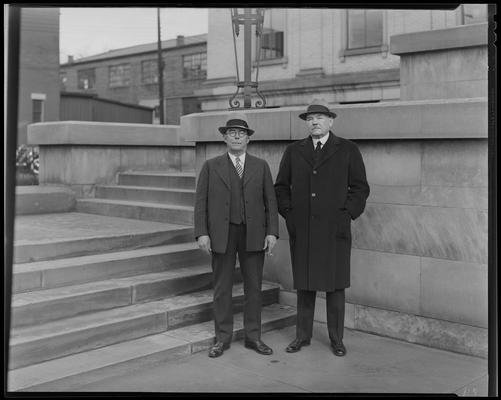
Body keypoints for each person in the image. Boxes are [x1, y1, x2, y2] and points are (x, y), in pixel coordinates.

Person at [275, 99, 370, 357]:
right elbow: (281, 187)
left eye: (319, 117)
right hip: (303, 228)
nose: (314, 122)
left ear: (331, 121)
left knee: (335, 285)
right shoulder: (294, 151)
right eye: (310, 118)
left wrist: (346, 214)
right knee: (305, 285)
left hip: (334, 229)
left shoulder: (347, 149)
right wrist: (290, 215)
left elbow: (360, 188)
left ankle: (336, 339)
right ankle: (302, 336)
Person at [194, 113, 279, 358]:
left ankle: (254, 337)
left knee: (253, 287)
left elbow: (270, 203)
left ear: (248, 139)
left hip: (253, 233)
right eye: (232, 133)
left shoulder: (261, 166)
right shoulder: (211, 166)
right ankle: (222, 338)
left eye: (241, 133)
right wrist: (202, 233)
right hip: (222, 233)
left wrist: (272, 232)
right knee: (222, 288)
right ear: (224, 138)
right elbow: (201, 202)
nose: (237, 136)